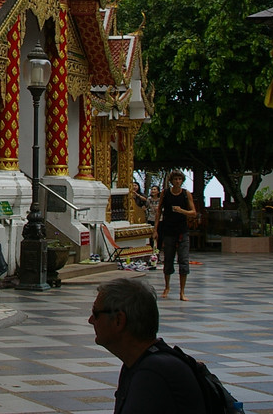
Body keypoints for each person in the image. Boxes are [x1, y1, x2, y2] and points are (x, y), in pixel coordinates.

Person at [89, 276, 204, 413]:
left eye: (96, 314)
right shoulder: (140, 364)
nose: (91, 320)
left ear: (119, 320)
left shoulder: (152, 374)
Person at [153, 170, 196, 301]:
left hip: (182, 230)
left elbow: (193, 212)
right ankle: (167, 286)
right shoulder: (165, 194)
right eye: (175, 179)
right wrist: (155, 229)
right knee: (168, 259)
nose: (177, 182)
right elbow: (159, 210)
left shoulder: (185, 194)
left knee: (183, 260)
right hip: (168, 230)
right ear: (171, 181)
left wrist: (181, 211)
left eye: (179, 179)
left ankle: (182, 291)